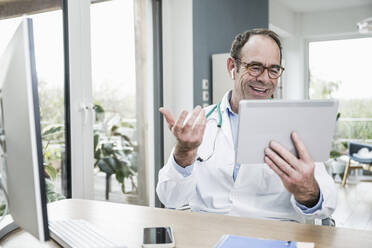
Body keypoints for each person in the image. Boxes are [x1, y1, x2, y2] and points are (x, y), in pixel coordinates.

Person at [156, 29, 336, 223]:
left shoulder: (296, 125)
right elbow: (171, 199)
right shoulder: (199, 123)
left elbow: (325, 207)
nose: (265, 79)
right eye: (255, 67)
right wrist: (183, 153)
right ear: (232, 66)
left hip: (272, 236)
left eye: (273, 70)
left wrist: (308, 191)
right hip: (210, 233)